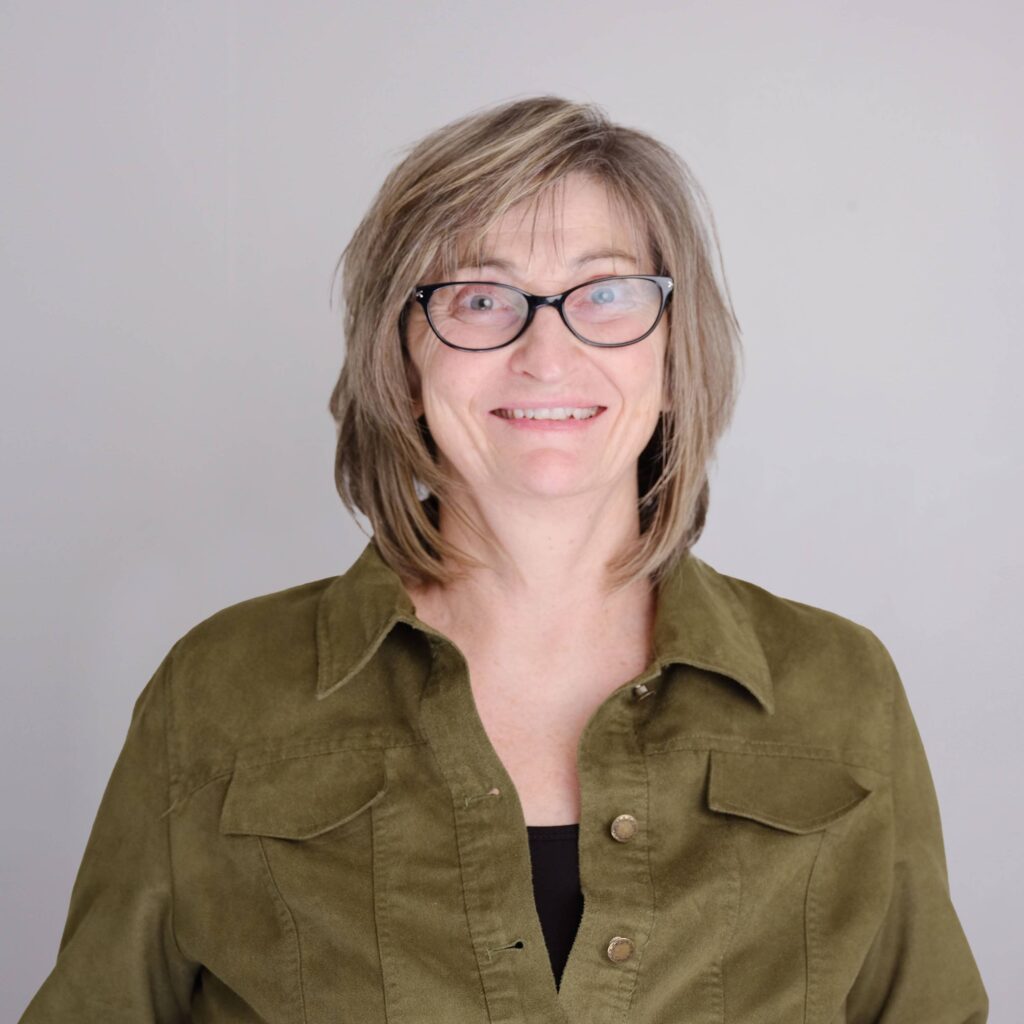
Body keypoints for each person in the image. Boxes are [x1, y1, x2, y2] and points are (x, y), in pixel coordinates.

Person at [20, 95, 988, 1022]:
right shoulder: (218, 694)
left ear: (671, 353)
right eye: (481, 299)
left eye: (604, 294)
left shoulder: (839, 694)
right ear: (401, 360)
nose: (545, 351)